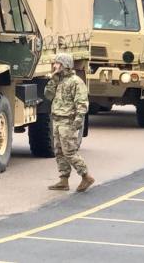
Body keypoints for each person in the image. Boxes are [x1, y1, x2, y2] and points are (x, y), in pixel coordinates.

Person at [44, 53, 94, 192]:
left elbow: (82, 102)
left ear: (65, 65)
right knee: (59, 152)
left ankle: (86, 176)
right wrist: (53, 79)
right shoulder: (58, 80)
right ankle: (63, 180)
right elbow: (48, 95)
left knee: (69, 152)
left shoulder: (76, 81)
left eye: (57, 63)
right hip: (57, 119)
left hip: (68, 121)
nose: (55, 65)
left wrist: (78, 120)